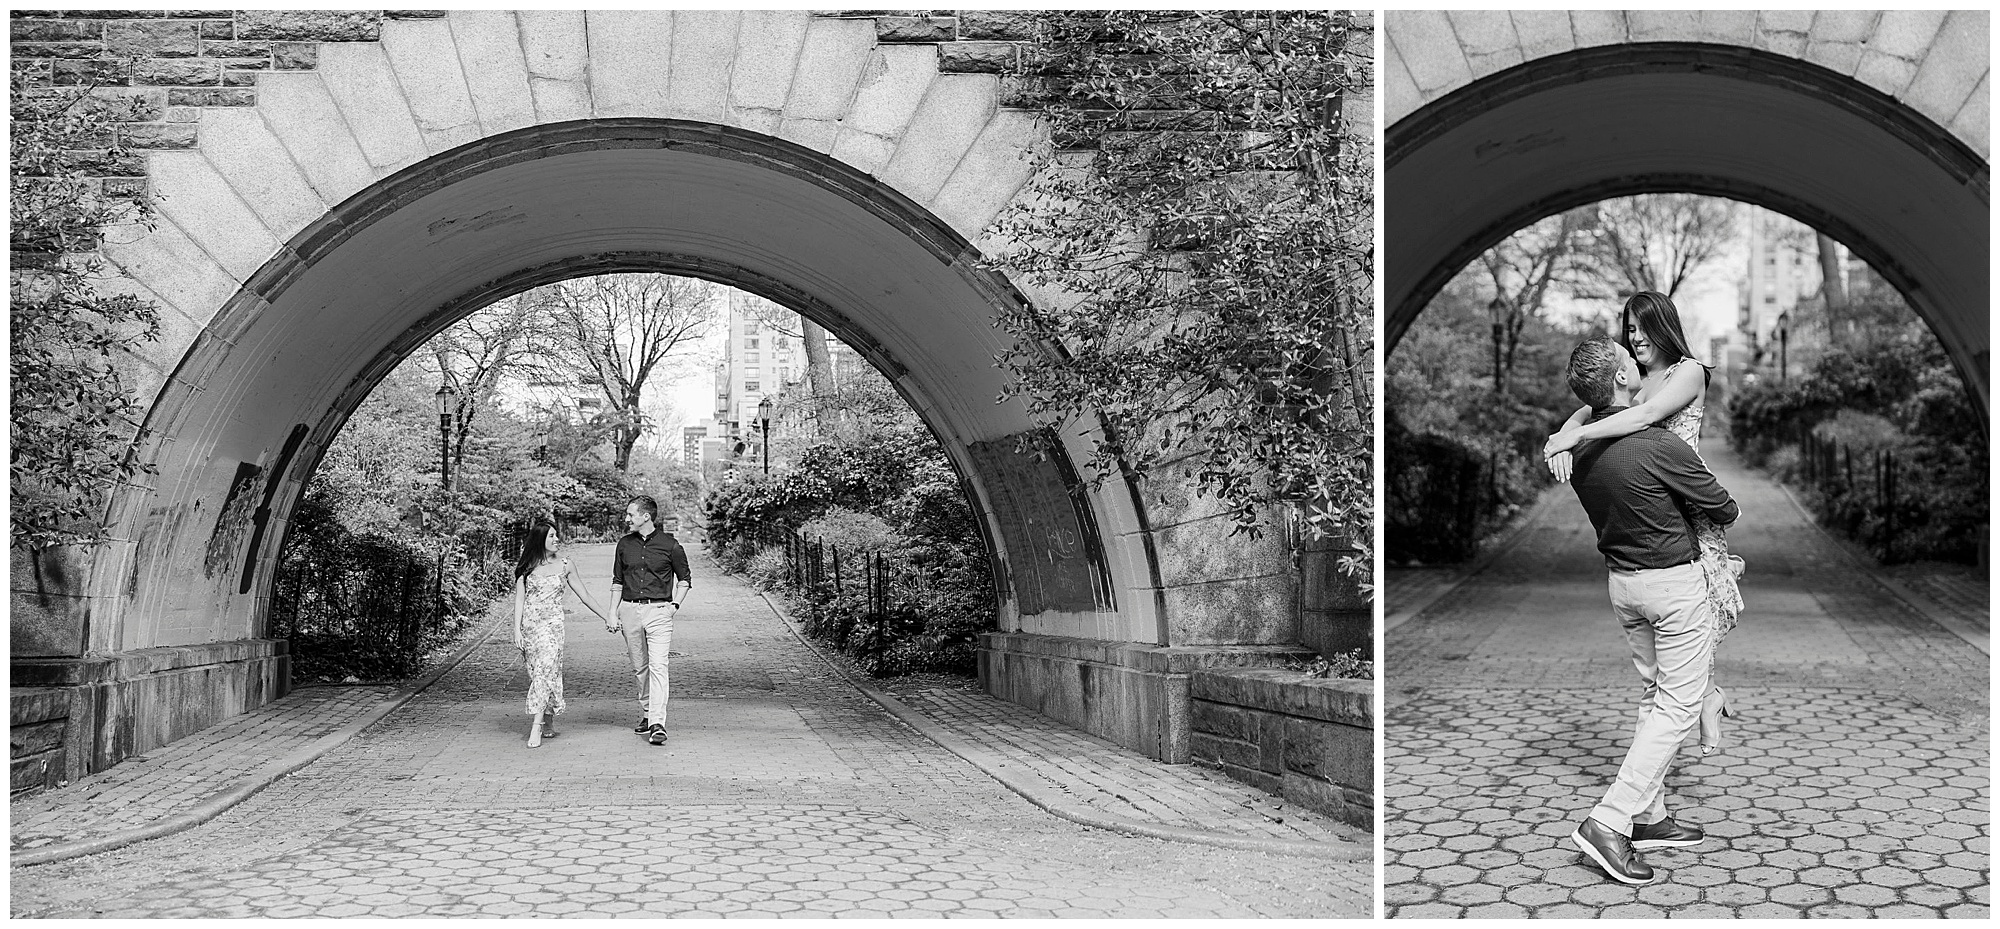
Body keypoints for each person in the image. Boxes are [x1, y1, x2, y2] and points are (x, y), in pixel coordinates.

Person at [1559, 335, 1740, 885]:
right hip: (1673, 587)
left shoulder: (1580, 450)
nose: (1636, 358)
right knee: (1679, 707)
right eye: (1625, 355)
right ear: (1619, 379)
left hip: (1623, 586)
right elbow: (1724, 508)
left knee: (1653, 694)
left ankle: (1651, 816)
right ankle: (1609, 820)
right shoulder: (1658, 444)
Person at [1543, 291, 1744, 755]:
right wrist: (1561, 434)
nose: (1634, 338)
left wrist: (1575, 436)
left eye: (1642, 327)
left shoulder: (1687, 371)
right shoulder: (1634, 377)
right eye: (1628, 329)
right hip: (1651, 499)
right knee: (1690, 614)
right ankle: (1707, 697)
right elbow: (1596, 406)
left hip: (1687, 495)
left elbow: (1648, 416)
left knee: (1704, 604)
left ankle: (1706, 698)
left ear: (1664, 327)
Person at [512, 521, 612, 748]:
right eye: (551, 536)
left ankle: (535, 727)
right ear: (540, 541)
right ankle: (547, 721)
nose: (557, 539)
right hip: (530, 629)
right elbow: (520, 599)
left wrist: (606, 616)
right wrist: (516, 629)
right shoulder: (527, 566)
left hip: (553, 629)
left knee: (545, 671)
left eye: (556, 535)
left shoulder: (566, 565)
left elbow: (584, 595)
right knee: (540, 674)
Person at [608, 495, 691, 746]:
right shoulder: (624, 545)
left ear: (646, 516)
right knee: (640, 667)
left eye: (630, 514)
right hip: (630, 610)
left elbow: (685, 580)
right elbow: (617, 581)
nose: (626, 518)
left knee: (658, 666)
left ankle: (657, 723)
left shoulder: (671, 546)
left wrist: (674, 605)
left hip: (659, 612)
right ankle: (647, 712)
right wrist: (612, 612)